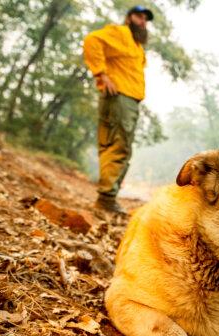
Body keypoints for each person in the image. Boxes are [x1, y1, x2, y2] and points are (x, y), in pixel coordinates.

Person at [83, 5, 153, 213]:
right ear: (129, 17)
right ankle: (106, 199)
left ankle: (107, 197)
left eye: (145, 19)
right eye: (139, 17)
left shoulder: (136, 45)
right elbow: (92, 40)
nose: (143, 21)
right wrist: (101, 74)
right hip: (119, 98)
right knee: (118, 147)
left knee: (115, 146)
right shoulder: (121, 33)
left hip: (127, 100)